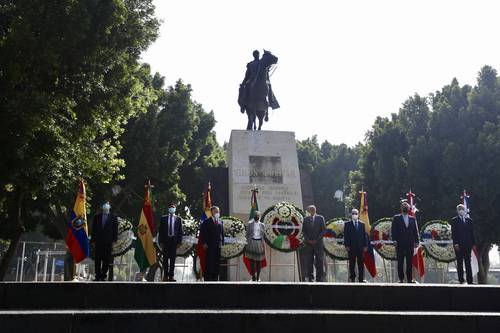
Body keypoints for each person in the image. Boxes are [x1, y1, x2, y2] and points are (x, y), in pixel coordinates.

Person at [391, 202, 419, 283]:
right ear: (401, 208)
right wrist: (394, 240)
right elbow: (394, 230)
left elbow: (415, 231)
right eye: (404, 206)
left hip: (410, 243)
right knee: (400, 262)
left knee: (409, 262)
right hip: (399, 243)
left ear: (409, 208)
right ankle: (401, 279)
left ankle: (409, 279)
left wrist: (417, 241)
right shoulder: (396, 218)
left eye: (407, 206)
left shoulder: (412, 218)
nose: (405, 208)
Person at [91, 201, 118, 281]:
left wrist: (114, 241)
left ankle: (103, 275)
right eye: (104, 204)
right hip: (98, 242)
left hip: (108, 242)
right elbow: (94, 230)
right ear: (102, 207)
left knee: (106, 259)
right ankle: (97, 275)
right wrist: (93, 240)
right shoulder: (97, 217)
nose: (106, 206)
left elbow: (115, 230)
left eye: (107, 204)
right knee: (97, 259)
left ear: (109, 207)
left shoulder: (113, 217)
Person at [451, 204, 476, 284]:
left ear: (465, 210)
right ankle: (461, 280)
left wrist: (473, 244)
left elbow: (472, 233)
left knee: (468, 263)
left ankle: (470, 280)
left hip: (468, 245)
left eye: (462, 209)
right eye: (459, 209)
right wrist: (455, 244)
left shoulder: (469, 220)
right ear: (457, 211)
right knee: (460, 263)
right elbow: (454, 233)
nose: (461, 210)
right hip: (459, 245)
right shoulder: (454, 220)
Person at [159, 203, 183, 282]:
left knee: (172, 260)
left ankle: (171, 276)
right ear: (168, 209)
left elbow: (180, 231)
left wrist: (179, 242)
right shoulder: (163, 218)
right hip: (165, 242)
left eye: (173, 207)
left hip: (174, 242)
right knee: (165, 260)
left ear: (175, 209)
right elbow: (161, 231)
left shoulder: (178, 219)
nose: (171, 208)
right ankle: (165, 276)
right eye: (170, 207)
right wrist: (161, 242)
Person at [199, 206, 225, 281]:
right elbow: (203, 233)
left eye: (218, 211)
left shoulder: (220, 221)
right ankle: (208, 278)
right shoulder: (206, 222)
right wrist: (204, 243)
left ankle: (215, 278)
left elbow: (222, 234)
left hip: (218, 245)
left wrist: (222, 243)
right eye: (215, 211)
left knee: (216, 262)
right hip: (209, 245)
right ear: (211, 212)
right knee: (209, 262)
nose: (217, 213)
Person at [302, 205, 326, 282]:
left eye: (310, 210)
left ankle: (319, 278)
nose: (309, 212)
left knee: (320, 261)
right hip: (309, 244)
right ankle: (310, 278)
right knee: (309, 261)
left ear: (314, 210)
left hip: (318, 244)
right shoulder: (305, 219)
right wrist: (308, 240)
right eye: (309, 210)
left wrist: (317, 239)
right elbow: (304, 231)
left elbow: (323, 230)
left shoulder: (320, 218)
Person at [344, 209, 368, 282]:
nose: (354, 214)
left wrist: (365, 245)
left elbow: (364, 236)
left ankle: (361, 278)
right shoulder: (347, 224)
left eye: (356, 213)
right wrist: (346, 245)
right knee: (352, 264)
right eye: (353, 213)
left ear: (358, 214)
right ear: (351, 214)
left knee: (360, 264)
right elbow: (346, 236)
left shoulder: (362, 224)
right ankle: (352, 278)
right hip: (351, 247)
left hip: (360, 247)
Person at [245, 211, 266, 281]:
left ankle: (258, 277)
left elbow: (263, 235)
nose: (257, 217)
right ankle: (253, 276)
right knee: (251, 260)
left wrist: (263, 244)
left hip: (259, 243)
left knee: (259, 260)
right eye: (255, 215)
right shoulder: (250, 224)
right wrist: (247, 243)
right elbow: (247, 234)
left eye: (258, 215)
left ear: (260, 216)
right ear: (254, 216)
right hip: (251, 242)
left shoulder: (262, 225)